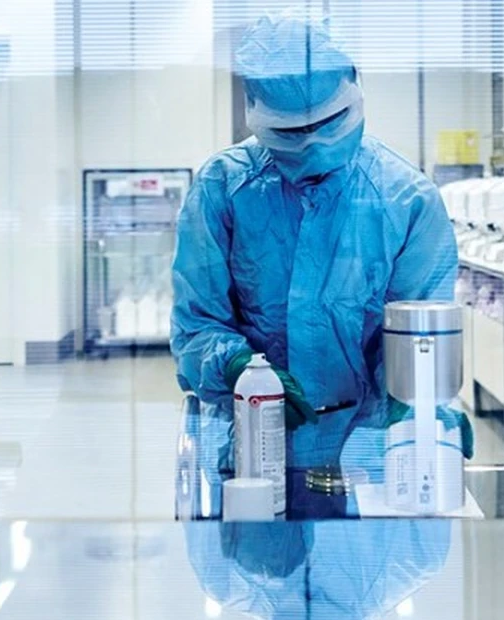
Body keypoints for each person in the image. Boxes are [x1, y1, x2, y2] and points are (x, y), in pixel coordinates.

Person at [170, 10, 466, 473]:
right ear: (254, 116)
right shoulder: (222, 190)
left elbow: (420, 333)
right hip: (253, 445)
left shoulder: (408, 201)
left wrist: (422, 406)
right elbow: (196, 325)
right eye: (290, 132)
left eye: (332, 122)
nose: (315, 145)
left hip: (368, 455)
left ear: (355, 89)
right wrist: (236, 366)